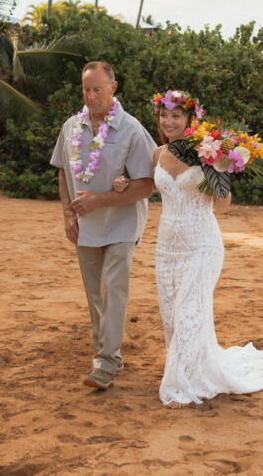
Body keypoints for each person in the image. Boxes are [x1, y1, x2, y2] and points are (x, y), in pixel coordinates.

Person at [114, 90, 263, 408]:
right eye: (164, 116)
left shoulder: (205, 152)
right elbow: (152, 186)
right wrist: (122, 183)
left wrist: (220, 165)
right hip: (167, 248)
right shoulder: (157, 154)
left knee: (188, 314)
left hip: (202, 245)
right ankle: (193, 370)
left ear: (190, 120)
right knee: (172, 316)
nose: (169, 122)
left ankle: (180, 386)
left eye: (176, 116)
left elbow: (223, 203)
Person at [50, 61, 156, 390]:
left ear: (113, 87)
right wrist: (69, 214)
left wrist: (101, 199)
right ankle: (109, 353)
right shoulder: (71, 127)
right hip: (86, 226)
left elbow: (147, 185)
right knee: (95, 294)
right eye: (86, 89)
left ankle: (106, 362)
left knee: (114, 290)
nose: (91, 96)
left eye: (98, 89)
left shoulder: (132, 129)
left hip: (122, 224)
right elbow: (63, 172)